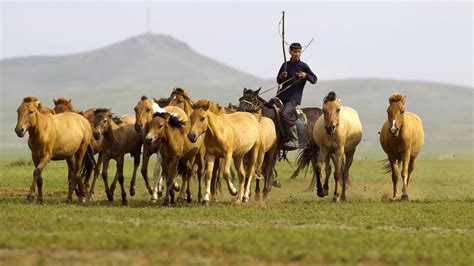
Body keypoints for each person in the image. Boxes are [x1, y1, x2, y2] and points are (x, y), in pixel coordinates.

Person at [276, 42, 317, 150]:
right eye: (295, 51)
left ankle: (294, 139)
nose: (297, 54)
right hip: (281, 95)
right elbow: (278, 81)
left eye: (299, 52)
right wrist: (282, 76)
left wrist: (305, 75)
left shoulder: (303, 66)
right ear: (290, 52)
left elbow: (314, 79)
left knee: (285, 114)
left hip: (293, 98)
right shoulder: (285, 65)